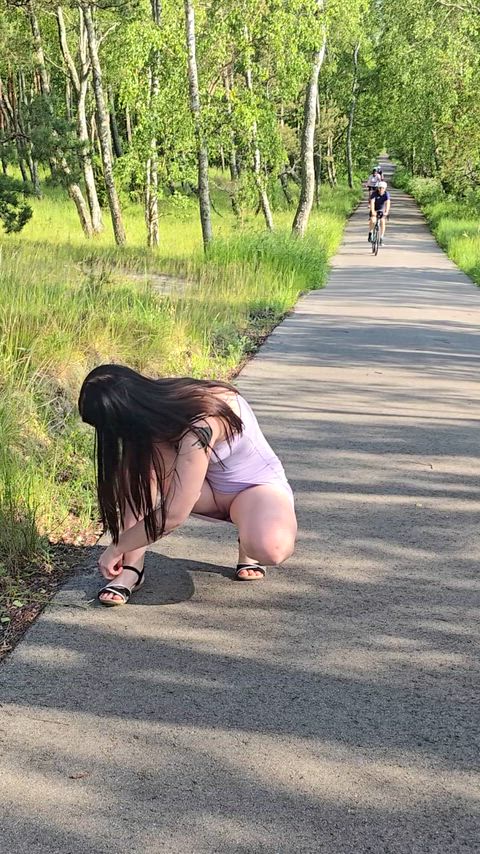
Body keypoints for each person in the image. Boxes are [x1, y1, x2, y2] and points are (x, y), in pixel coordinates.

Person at [78, 364, 297, 605]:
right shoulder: (156, 410)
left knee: (270, 548)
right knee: (140, 458)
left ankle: (248, 534)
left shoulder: (201, 420)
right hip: (205, 490)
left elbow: (173, 515)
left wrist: (115, 547)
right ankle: (132, 569)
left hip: (253, 489)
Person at [368, 180, 391, 245]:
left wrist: (386, 212)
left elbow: (388, 203)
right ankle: (370, 233)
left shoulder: (386, 194)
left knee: (382, 221)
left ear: (385, 189)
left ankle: (381, 237)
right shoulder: (374, 193)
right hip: (375, 209)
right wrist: (372, 211)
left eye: (383, 188)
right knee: (373, 220)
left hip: (382, 210)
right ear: (378, 188)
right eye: (380, 188)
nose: (381, 189)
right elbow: (372, 202)